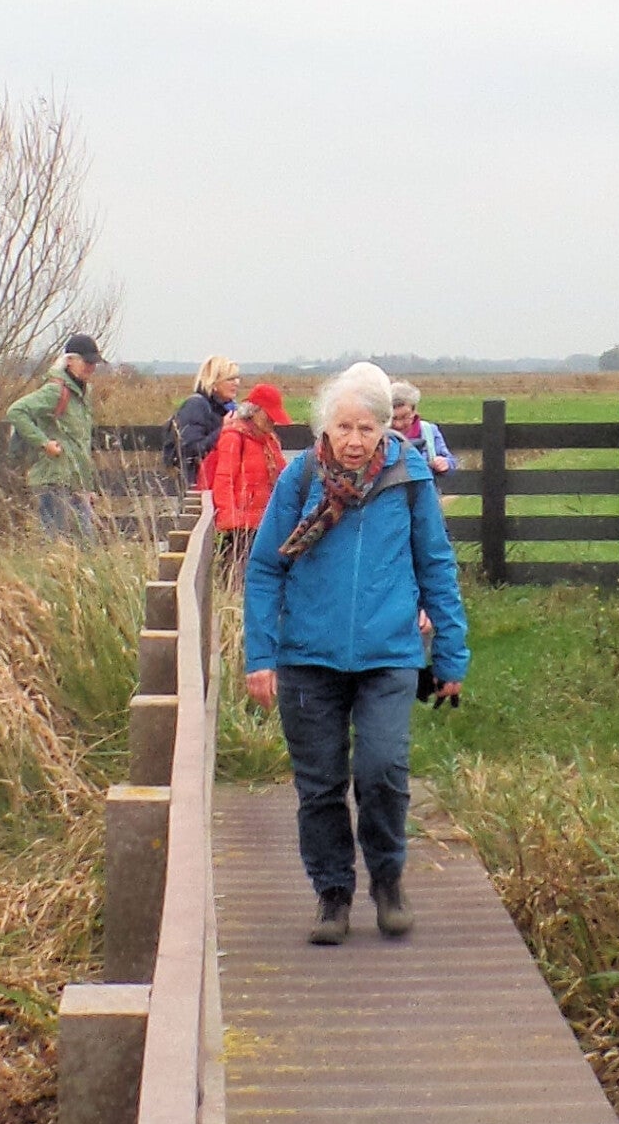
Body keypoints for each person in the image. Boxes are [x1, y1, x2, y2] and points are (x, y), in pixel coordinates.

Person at [244, 361, 468, 946]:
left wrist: (451, 652)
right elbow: (265, 569)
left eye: (367, 428)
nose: (353, 440)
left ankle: (388, 882)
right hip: (307, 656)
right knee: (319, 785)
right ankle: (333, 894)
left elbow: (436, 566)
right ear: (325, 427)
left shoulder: (409, 479)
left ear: (386, 429)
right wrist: (260, 656)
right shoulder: (299, 479)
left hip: (388, 653)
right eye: (343, 427)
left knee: (383, 770)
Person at [6, 333, 103, 537]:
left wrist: (88, 486)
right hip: (53, 478)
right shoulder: (55, 391)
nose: (91, 367)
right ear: (70, 361)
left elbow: (81, 442)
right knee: (56, 540)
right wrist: (44, 443)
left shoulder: (84, 393)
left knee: (85, 542)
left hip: (75, 481)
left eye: (94, 363)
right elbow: (16, 411)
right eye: (86, 362)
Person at [198, 380, 289, 548]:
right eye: (269, 415)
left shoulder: (271, 441)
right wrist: (231, 527)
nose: (273, 421)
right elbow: (223, 482)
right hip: (241, 532)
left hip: (266, 527)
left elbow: (284, 480)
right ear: (254, 411)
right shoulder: (233, 437)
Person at [166, 356, 241, 486]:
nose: (237, 383)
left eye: (237, 378)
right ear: (213, 382)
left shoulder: (226, 409)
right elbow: (189, 451)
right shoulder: (196, 406)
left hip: (217, 484)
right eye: (230, 379)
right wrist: (223, 428)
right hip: (195, 486)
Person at [390, 381, 456, 481]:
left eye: (404, 417)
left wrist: (444, 463)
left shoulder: (428, 431)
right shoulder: (379, 434)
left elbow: (450, 462)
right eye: (393, 418)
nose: (398, 424)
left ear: (414, 411)